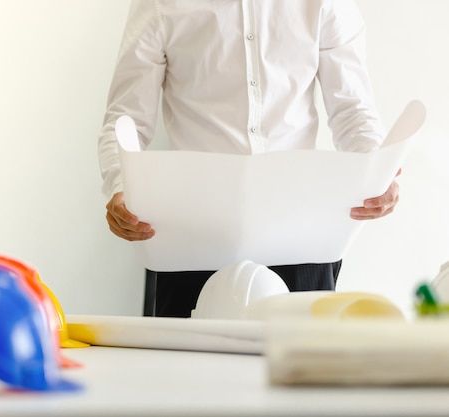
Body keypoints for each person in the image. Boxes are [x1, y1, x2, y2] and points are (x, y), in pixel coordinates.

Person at [97, 0, 400, 318]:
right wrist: (121, 187)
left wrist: (377, 173)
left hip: (301, 232)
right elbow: (126, 115)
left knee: (304, 363)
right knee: (183, 364)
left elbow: (352, 111)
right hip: (190, 236)